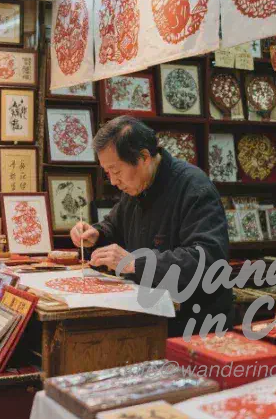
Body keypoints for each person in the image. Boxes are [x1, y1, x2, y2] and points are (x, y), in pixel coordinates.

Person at [69, 116, 233, 337]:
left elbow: (206, 257)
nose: (113, 181)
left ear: (144, 157)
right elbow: (113, 227)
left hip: (194, 326)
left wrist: (135, 264)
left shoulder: (194, 187)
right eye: (107, 173)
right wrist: (96, 235)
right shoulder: (136, 188)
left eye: (116, 171)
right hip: (149, 317)